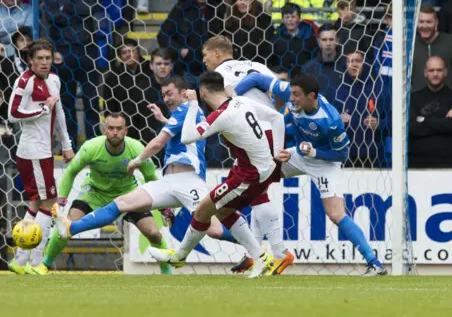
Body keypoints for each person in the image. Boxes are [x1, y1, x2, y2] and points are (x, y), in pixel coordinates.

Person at [52, 77, 269, 270]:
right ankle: (71, 228)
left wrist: (137, 160)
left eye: (170, 93)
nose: (166, 98)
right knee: (122, 203)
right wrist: (165, 121)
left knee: (213, 228)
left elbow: (158, 143)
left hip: (190, 181)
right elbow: (181, 135)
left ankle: (259, 251)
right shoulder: (184, 113)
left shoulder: (186, 109)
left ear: (184, 93)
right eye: (163, 94)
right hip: (168, 182)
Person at [234, 72, 388, 276]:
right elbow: (256, 79)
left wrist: (316, 152)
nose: (292, 98)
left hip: (325, 162)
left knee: (335, 214)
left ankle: (374, 263)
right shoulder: (291, 92)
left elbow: (341, 155)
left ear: (312, 95)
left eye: (297, 95)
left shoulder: (331, 120)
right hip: (298, 154)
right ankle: (258, 254)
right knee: (258, 178)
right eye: (292, 93)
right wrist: (231, 100)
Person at [147, 71, 286, 279]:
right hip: (251, 168)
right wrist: (276, 151)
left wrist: (192, 106)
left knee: (203, 209)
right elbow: (276, 117)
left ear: (202, 92)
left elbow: (186, 138)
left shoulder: (222, 115)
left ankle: (179, 256)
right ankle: (260, 257)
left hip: (250, 175)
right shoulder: (241, 102)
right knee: (222, 211)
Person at [15, 113, 172, 275]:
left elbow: (151, 178)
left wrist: (163, 207)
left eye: (119, 128)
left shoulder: (137, 149)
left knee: (153, 232)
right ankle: (45, 265)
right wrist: (61, 201)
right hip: (94, 193)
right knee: (66, 227)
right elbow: (70, 172)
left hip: (127, 195)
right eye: (111, 128)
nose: (115, 132)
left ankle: (166, 268)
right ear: (104, 130)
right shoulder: (91, 147)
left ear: (126, 130)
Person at [201, 35, 293, 276]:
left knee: (256, 193)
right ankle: (257, 254)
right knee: (256, 193)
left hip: (253, 134)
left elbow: (225, 107)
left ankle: (279, 253)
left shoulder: (217, 79)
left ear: (218, 54)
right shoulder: (257, 65)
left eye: (206, 55)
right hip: (269, 127)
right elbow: (280, 92)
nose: (204, 61)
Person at [8, 39, 75, 275]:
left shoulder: (54, 80)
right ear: (30, 60)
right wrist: (43, 109)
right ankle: (37, 264)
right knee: (50, 203)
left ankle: (19, 260)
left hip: (45, 151)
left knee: (37, 202)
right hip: (32, 152)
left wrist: (66, 144)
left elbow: (60, 114)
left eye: (48, 58)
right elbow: (13, 113)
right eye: (40, 58)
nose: (45, 62)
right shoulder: (24, 82)